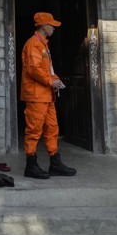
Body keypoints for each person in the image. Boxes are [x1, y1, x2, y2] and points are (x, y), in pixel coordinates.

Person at [20, 11, 77, 179]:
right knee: (34, 130)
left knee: (52, 129)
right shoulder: (33, 44)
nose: (54, 28)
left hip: (46, 95)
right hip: (36, 96)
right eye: (52, 25)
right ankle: (30, 165)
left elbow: (46, 70)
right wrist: (50, 81)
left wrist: (56, 80)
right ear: (44, 26)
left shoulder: (43, 44)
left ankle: (55, 163)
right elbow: (34, 69)